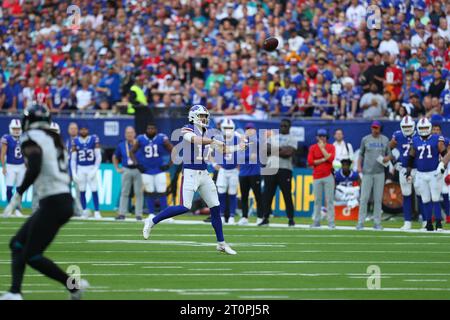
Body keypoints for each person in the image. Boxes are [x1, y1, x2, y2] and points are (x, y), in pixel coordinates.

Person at [0, 104, 88, 300]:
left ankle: (73, 286)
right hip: (60, 199)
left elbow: (36, 164)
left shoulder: (31, 137)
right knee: (17, 244)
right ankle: (15, 292)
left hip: (54, 201)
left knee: (31, 254)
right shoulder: (55, 138)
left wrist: (19, 193)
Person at [142, 105, 245, 255]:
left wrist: (239, 147)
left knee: (215, 207)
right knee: (185, 206)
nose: (204, 118)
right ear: (194, 116)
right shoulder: (187, 129)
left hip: (203, 173)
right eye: (201, 116)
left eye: (205, 116)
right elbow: (195, 140)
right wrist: (212, 141)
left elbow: (224, 150)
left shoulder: (208, 134)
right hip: (190, 172)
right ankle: (151, 221)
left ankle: (221, 243)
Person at [407, 118, 447, 231]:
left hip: (434, 173)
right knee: (425, 199)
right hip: (420, 173)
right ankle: (428, 223)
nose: (424, 130)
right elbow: (411, 157)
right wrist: (408, 171)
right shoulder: (414, 140)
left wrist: (443, 165)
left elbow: (445, 154)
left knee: (435, 198)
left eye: (425, 127)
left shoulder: (436, 139)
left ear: (429, 128)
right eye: (421, 128)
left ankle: (438, 223)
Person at [258, 118, 297, 227]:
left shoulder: (292, 139)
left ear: (289, 127)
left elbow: (289, 153)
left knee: (287, 194)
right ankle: (265, 218)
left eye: (285, 126)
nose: (283, 127)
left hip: (285, 169)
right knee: (268, 195)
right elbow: (265, 150)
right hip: (270, 168)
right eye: (282, 126)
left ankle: (291, 219)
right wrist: (281, 149)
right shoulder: (273, 137)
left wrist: (274, 149)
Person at [130, 123, 173, 220]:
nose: (150, 130)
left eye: (152, 128)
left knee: (162, 191)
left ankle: (165, 213)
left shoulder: (162, 138)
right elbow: (131, 152)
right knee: (149, 191)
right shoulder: (141, 138)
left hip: (159, 169)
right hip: (146, 170)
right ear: (146, 129)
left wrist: (169, 164)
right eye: (149, 128)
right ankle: (151, 213)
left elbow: (173, 150)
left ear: (156, 130)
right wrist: (137, 164)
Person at [357, 120, 392, 230]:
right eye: (373, 128)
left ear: (380, 128)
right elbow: (361, 154)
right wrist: (359, 166)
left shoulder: (385, 139)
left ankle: (377, 222)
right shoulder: (365, 139)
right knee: (364, 198)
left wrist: (387, 158)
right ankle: (360, 222)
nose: (374, 130)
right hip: (367, 172)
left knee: (378, 199)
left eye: (376, 128)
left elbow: (390, 155)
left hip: (380, 173)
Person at [389, 115, 417, 230]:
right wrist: (394, 163)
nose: (407, 128)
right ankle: (407, 221)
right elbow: (388, 148)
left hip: (417, 168)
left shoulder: (419, 134)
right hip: (404, 169)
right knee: (406, 195)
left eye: (409, 126)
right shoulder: (398, 135)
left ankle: (426, 220)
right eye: (404, 126)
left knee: (422, 195)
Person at [70, 123, 102, 219]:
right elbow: (73, 159)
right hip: (80, 168)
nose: (83, 131)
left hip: (91, 167)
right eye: (82, 129)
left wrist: (95, 169)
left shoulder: (93, 139)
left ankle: (97, 211)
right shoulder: (75, 141)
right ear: (80, 131)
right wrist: (74, 172)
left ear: (88, 130)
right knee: (82, 190)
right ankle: (84, 211)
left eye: (85, 129)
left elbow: (98, 156)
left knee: (94, 189)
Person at [112, 126, 143, 221]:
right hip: (126, 169)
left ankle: (138, 214)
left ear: (134, 134)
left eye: (131, 132)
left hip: (138, 169)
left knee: (139, 193)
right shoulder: (121, 145)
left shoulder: (139, 144)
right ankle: (122, 213)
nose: (129, 134)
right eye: (127, 133)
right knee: (124, 192)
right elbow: (115, 156)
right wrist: (117, 168)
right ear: (125, 134)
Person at [213, 119, 240, 225]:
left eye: (230, 128)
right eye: (226, 128)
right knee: (221, 193)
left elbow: (243, 152)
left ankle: (232, 216)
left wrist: (239, 165)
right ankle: (222, 215)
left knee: (233, 193)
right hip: (223, 170)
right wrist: (214, 164)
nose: (228, 130)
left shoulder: (237, 138)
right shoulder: (218, 138)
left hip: (234, 170)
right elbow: (210, 152)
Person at [307, 128, 336, 229]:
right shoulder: (312, 148)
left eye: (323, 136)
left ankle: (331, 222)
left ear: (326, 137)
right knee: (317, 200)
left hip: (328, 175)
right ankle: (316, 221)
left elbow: (331, 159)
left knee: (330, 200)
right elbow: (310, 162)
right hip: (317, 176)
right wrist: (324, 159)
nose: (322, 138)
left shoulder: (331, 147)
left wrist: (322, 149)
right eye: (320, 136)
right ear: (317, 137)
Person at [238, 122, 263, 225]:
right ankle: (244, 217)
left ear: (255, 131)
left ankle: (260, 217)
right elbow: (239, 157)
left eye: (251, 129)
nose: (249, 131)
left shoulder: (257, 141)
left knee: (258, 195)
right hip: (243, 173)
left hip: (254, 172)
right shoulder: (242, 142)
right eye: (247, 129)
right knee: (244, 196)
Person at [1, 119, 25, 217]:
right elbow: (2, 154)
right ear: (11, 129)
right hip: (10, 166)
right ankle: (10, 207)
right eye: (14, 128)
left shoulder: (24, 138)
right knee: (9, 188)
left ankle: (18, 209)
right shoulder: (6, 138)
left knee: (20, 189)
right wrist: (4, 166)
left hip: (22, 166)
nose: (16, 130)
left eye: (18, 128)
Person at [430, 115, 450, 225]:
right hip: (432, 170)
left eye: (437, 130)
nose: (436, 131)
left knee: (445, 193)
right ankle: (434, 215)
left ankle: (448, 215)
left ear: (441, 131)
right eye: (434, 130)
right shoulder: (428, 141)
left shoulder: (446, 141)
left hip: (444, 170)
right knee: (433, 194)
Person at [66, 122, 83, 216]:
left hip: (78, 169)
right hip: (67, 169)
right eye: (71, 128)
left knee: (78, 191)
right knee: (66, 191)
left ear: (78, 130)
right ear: (68, 130)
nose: (73, 130)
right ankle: (68, 210)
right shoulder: (66, 141)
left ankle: (78, 211)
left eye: (75, 128)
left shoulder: (80, 141)